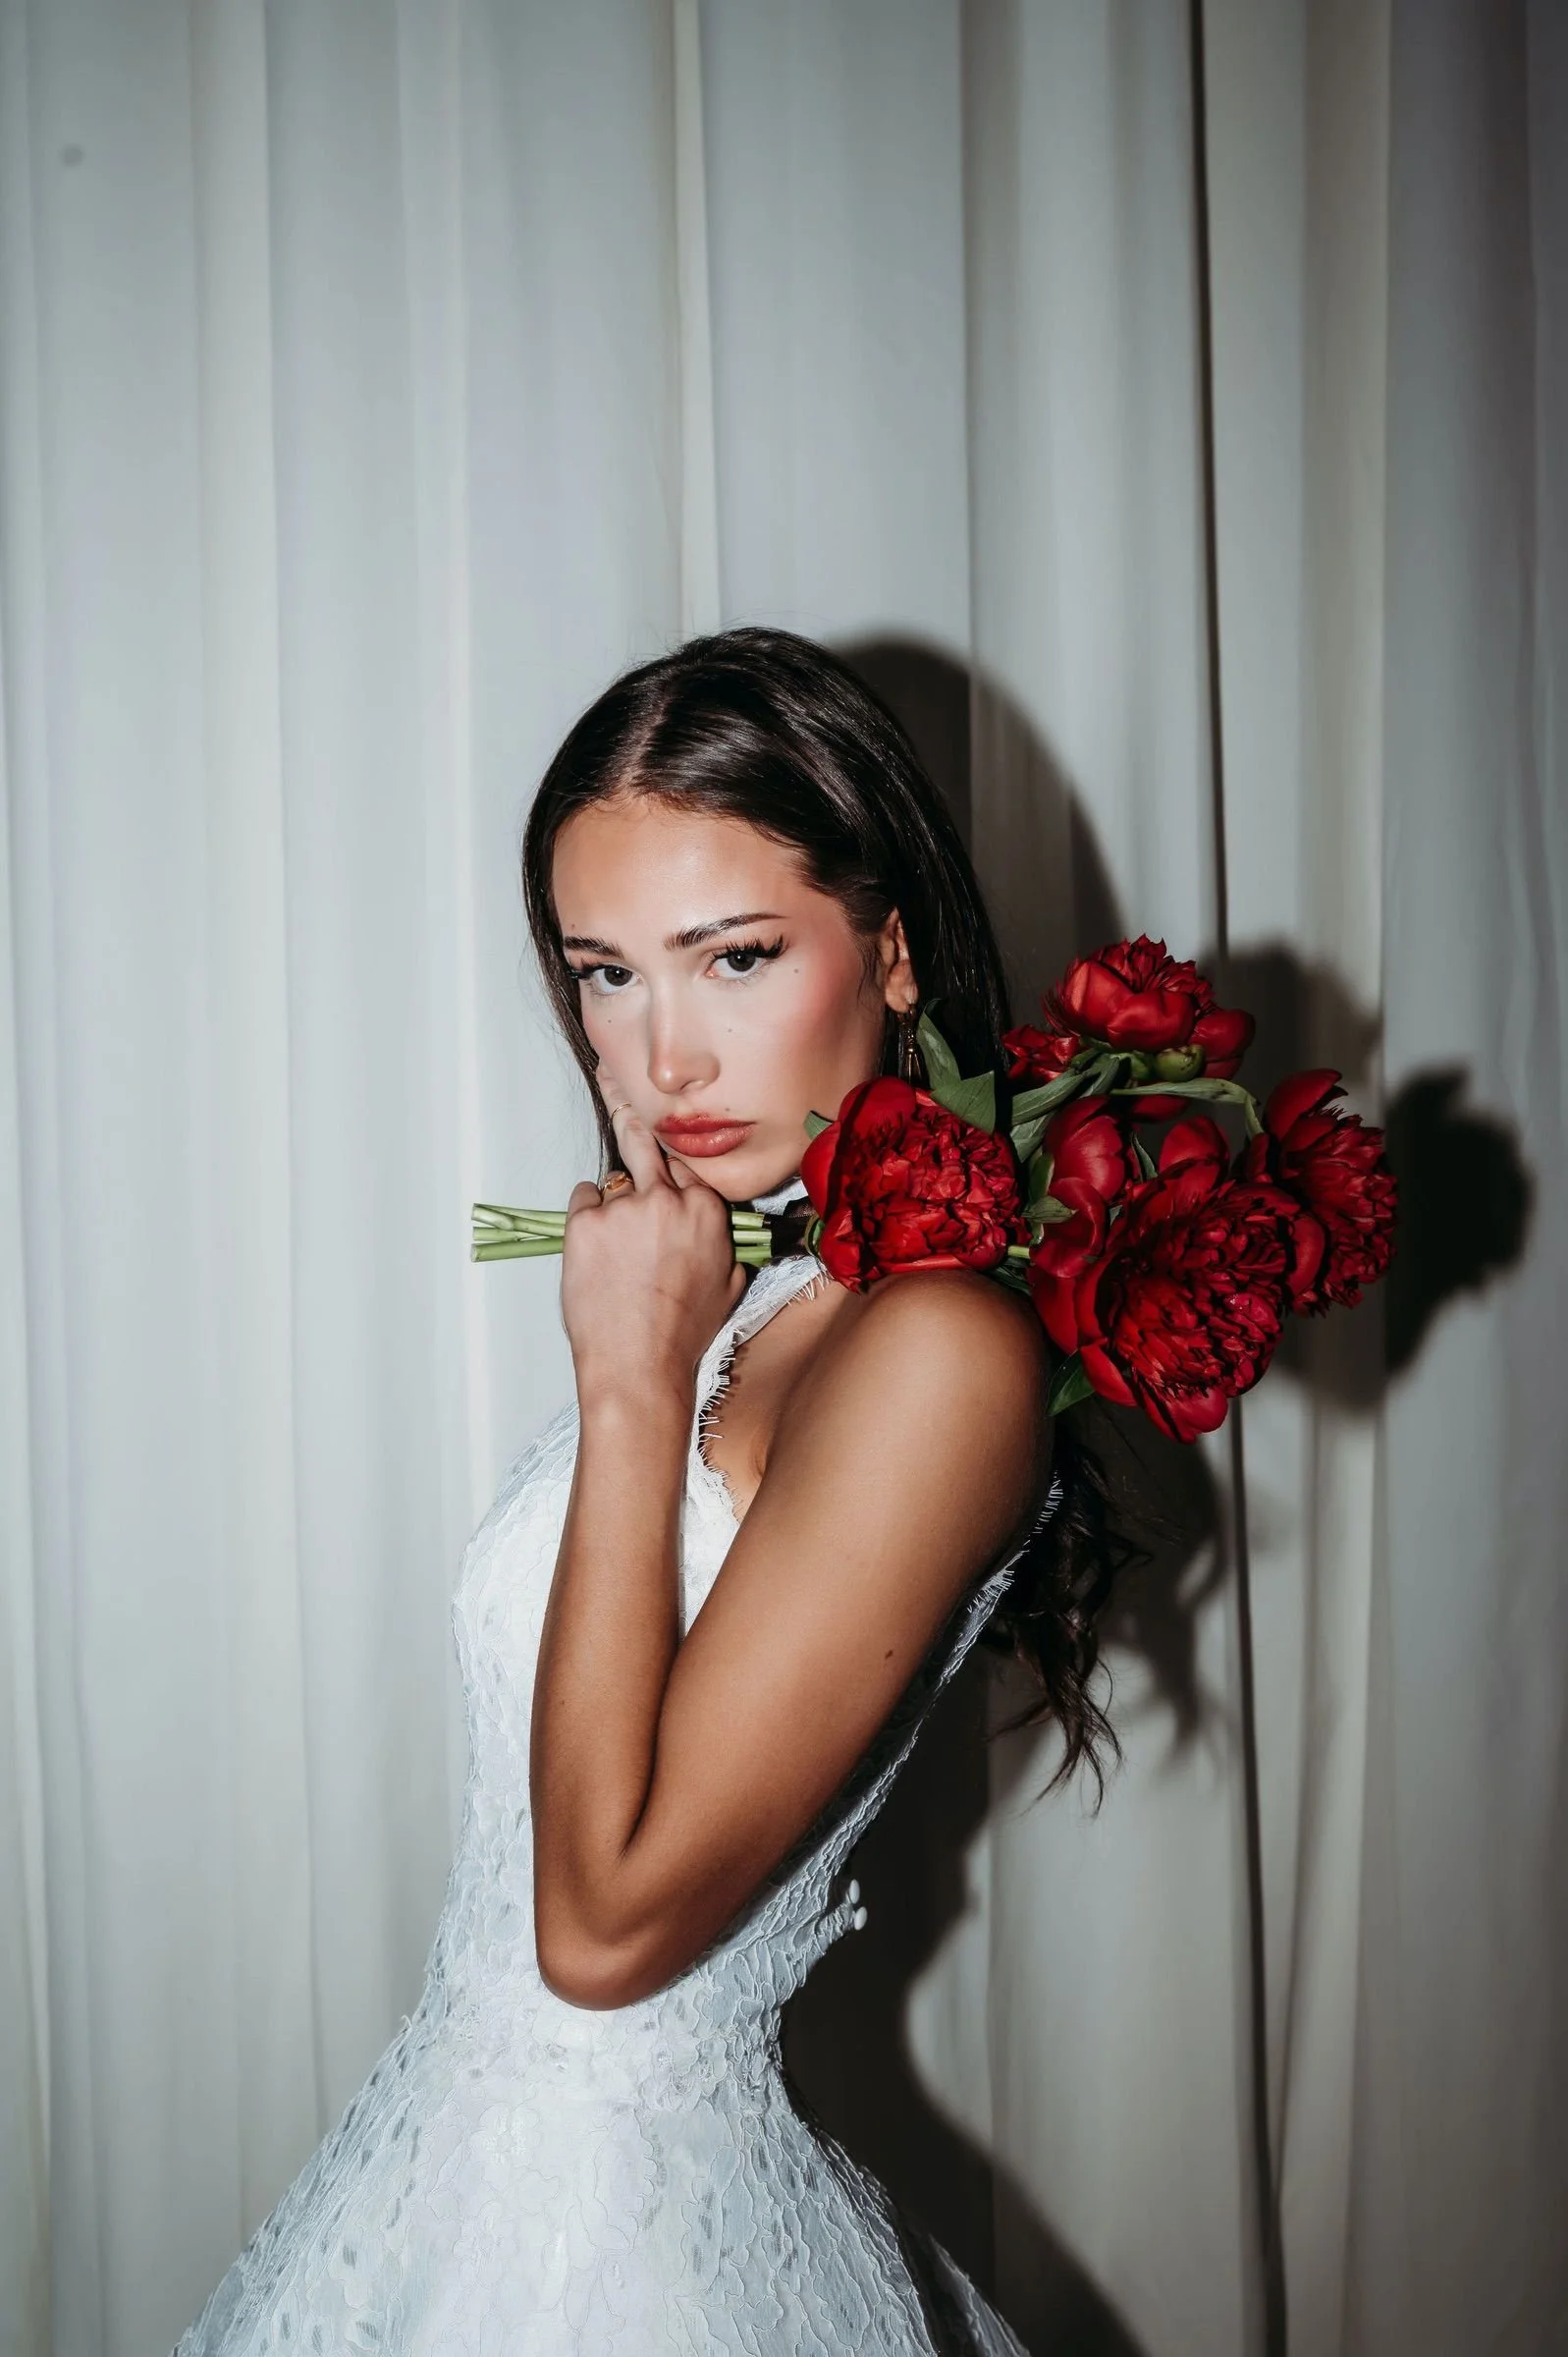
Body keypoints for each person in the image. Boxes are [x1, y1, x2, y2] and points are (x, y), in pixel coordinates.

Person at [173, 627, 1123, 2355]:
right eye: (605, 973)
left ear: (893, 950)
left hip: (626, 2253)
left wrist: (629, 1383)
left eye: (734, 958)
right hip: (463, 2169)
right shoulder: (772, 1287)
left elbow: (605, 1929)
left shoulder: (939, 1354)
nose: (661, 1058)